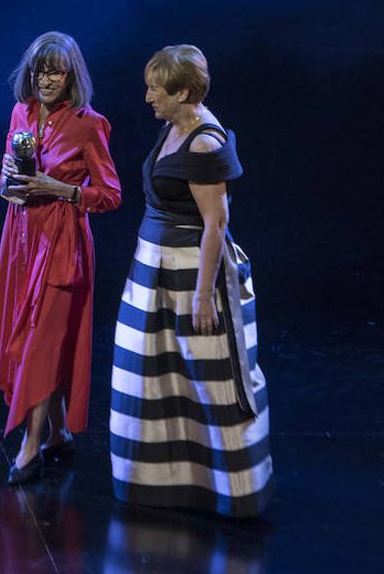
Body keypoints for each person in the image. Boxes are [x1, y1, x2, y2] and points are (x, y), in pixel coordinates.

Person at [109, 45, 271, 516]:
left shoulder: (204, 141)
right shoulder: (173, 128)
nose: (147, 98)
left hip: (189, 272)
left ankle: (230, 492)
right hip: (154, 269)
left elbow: (215, 225)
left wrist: (203, 297)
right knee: (155, 377)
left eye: (156, 89)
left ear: (183, 91)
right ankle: (160, 484)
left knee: (207, 378)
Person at [0, 31, 121, 485]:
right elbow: (7, 185)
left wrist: (61, 189)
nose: (46, 79)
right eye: (40, 70)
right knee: (27, 335)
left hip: (63, 245)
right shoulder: (20, 112)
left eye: (55, 71)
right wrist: (9, 181)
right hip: (21, 240)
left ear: (70, 76)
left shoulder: (89, 123)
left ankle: (31, 445)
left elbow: (110, 195)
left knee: (41, 343)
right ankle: (59, 431)